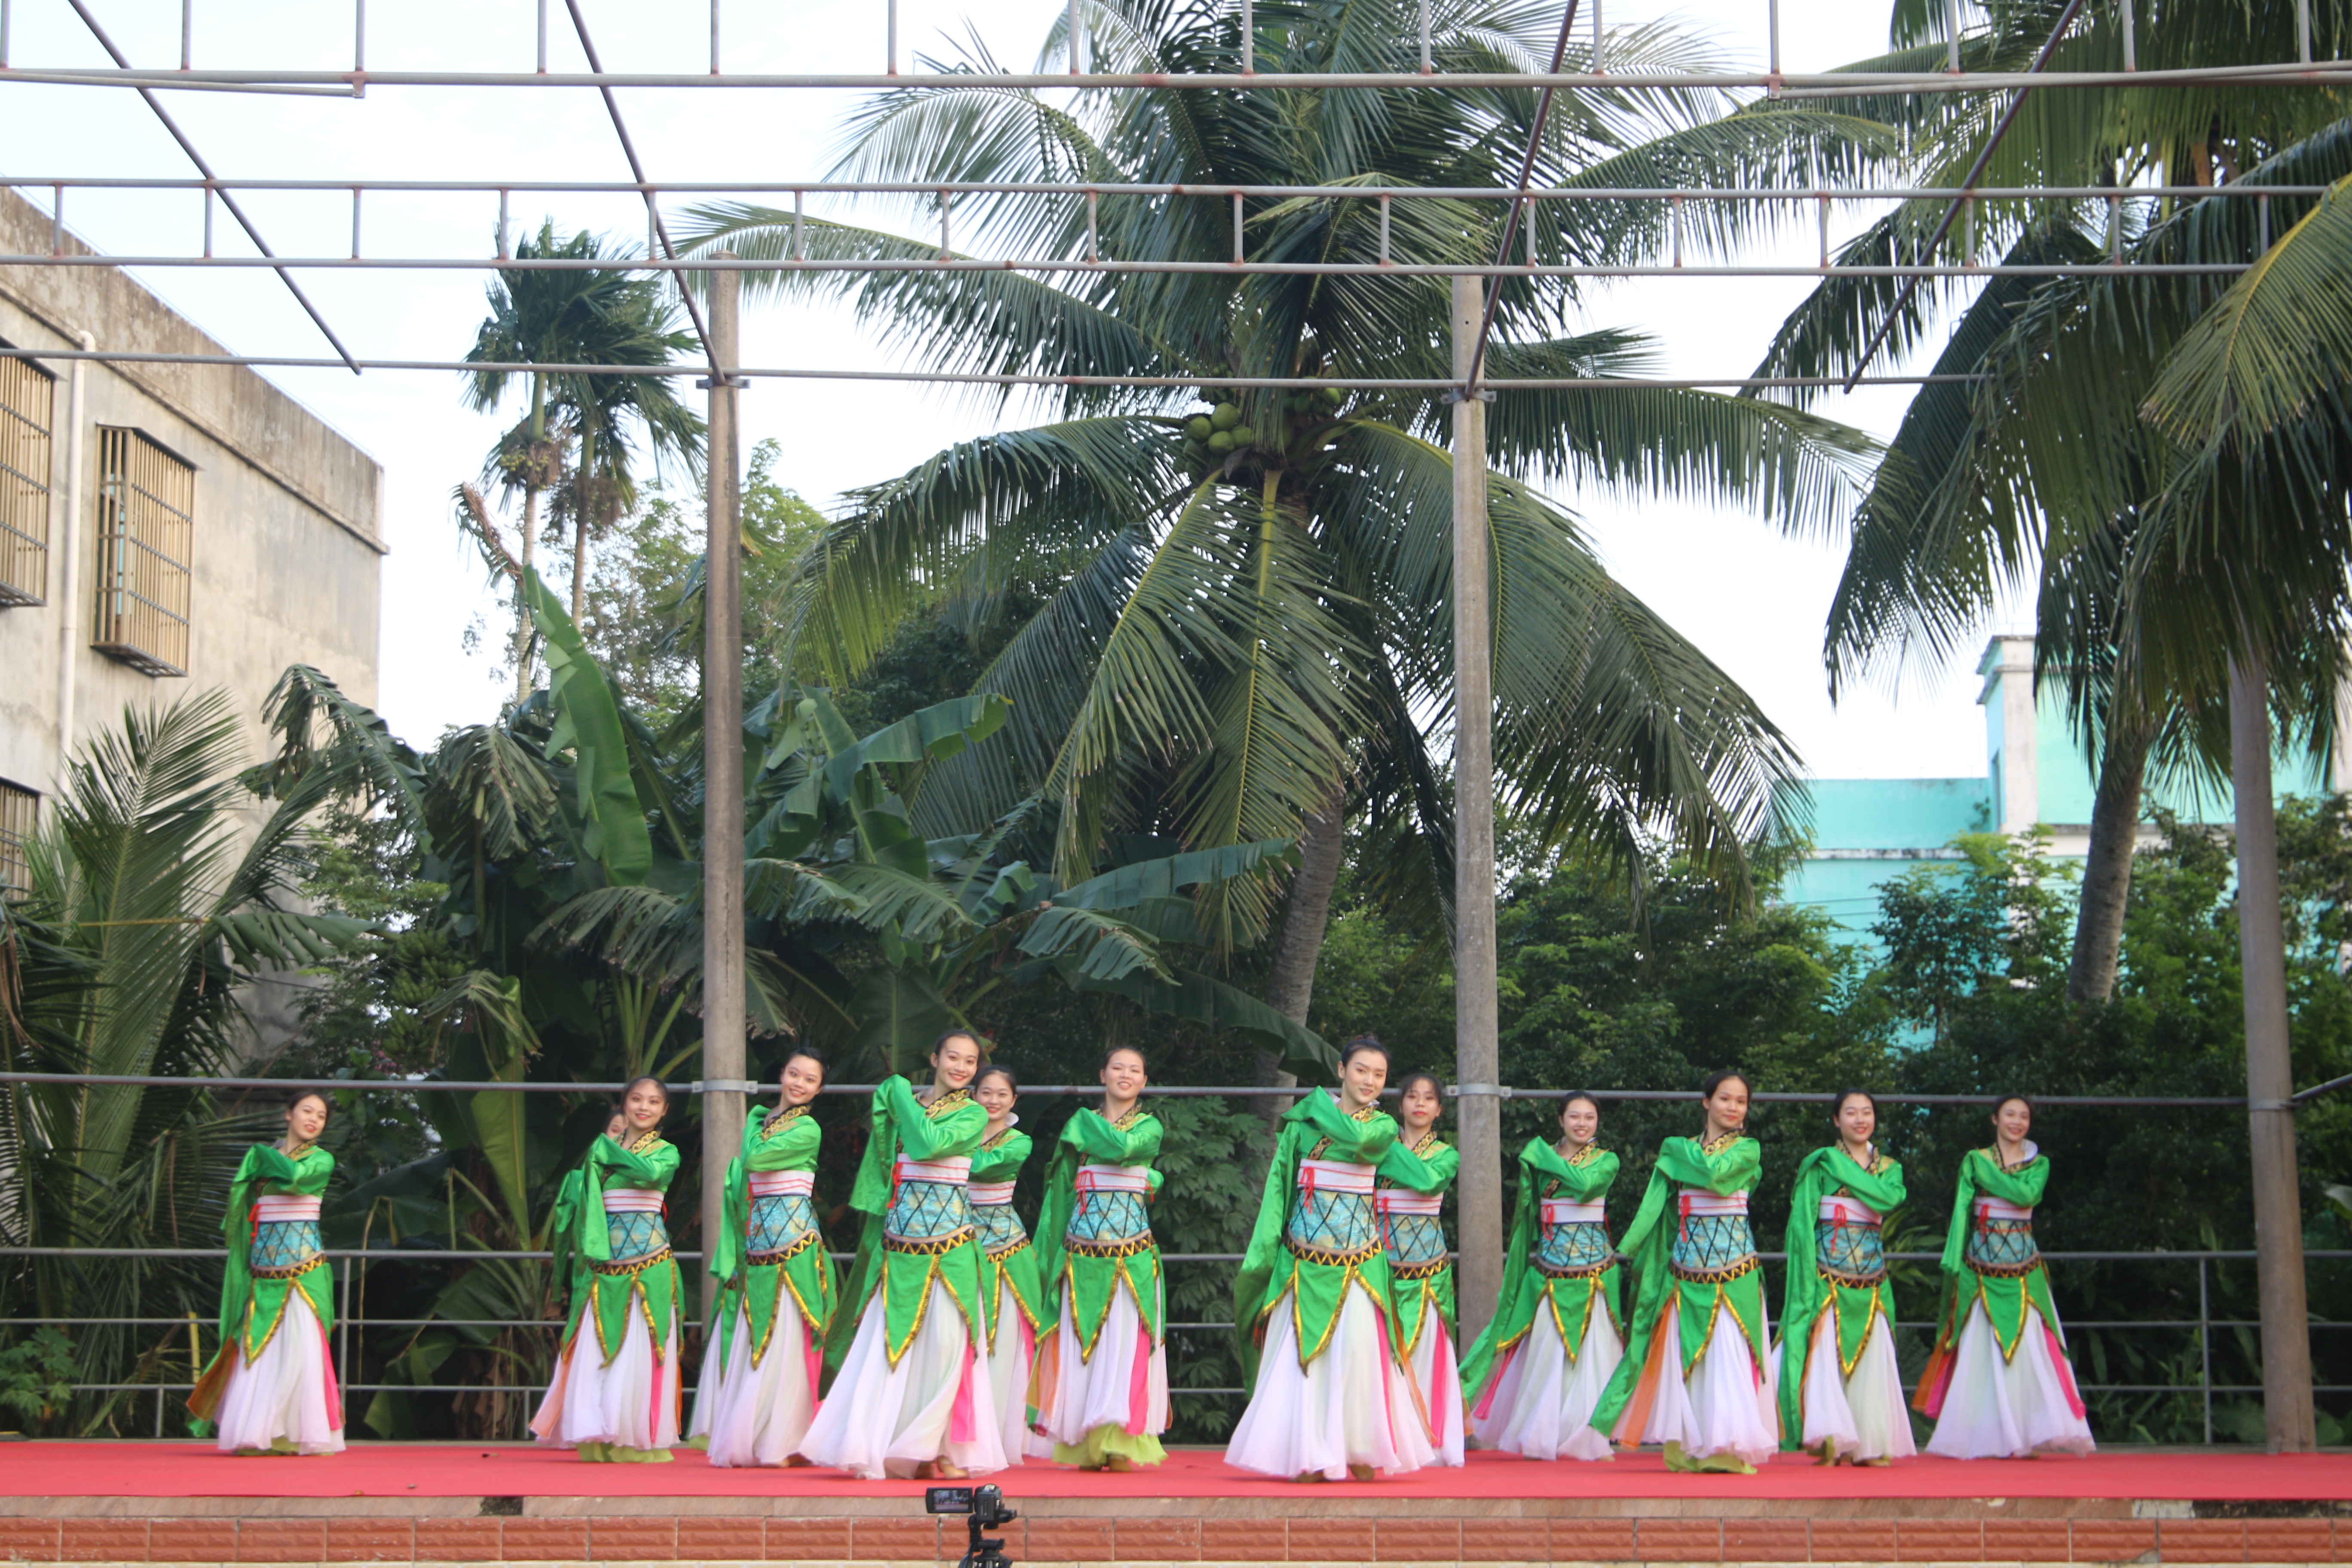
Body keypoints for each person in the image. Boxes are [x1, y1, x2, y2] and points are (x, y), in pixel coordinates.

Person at [1225, 1035, 1433, 1481]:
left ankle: (1358, 1447)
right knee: (1301, 1361)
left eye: (1379, 1075)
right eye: (1361, 1070)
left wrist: (1314, 1103)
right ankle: (1303, 1452)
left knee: (1358, 1359)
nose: (1370, 1081)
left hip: (1360, 1267)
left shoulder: (1379, 1129)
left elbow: (1356, 1136)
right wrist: (1265, 1257)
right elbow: (1278, 1195)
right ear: (1341, 1071)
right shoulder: (1300, 1130)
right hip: (1302, 1264)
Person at [802, 1029, 1004, 1479]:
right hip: (899, 1248)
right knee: (888, 1348)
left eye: (970, 1062)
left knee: (948, 1348)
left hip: (952, 1249)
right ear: (934, 1057)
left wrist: (899, 1096)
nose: (961, 1068)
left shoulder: (971, 1113)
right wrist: (902, 1100)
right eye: (953, 1057)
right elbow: (882, 1163)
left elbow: (927, 1145)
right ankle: (891, 1444)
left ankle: (933, 1447)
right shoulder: (906, 1105)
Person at [1592, 1070, 1777, 1473]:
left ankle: (1728, 1448)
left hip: (1735, 1271)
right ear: (1706, 1102)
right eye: (1725, 1098)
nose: (1733, 1107)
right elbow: (1671, 1191)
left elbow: (1716, 1177)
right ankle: (1686, 1447)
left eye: (1741, 1102)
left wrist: (1679, 1158)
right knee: (1684, 1359)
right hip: (1685, 1271)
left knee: (1727, 1357)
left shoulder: (1748, 1149)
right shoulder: (1679, 1147)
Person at [1915, 1094, 2095, 1459]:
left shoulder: (2034, 1163)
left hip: (2024, 1272)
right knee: (1980, 1354)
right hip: (1979, 1270)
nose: (2017, 1121)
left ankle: (2027, 1434)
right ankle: (1986, 1435)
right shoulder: (1975, 1160)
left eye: (2024, 1116)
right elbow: (1964, 1208)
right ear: (1995, 1119)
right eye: (2010, 1114)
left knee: (2029, 1353)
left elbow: (2030, 1193)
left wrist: (1987, 1177)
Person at [1460, 1091, 1623, 1462]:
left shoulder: (1605, 1161)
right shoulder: (1539, 1160)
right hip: (1549, 1273)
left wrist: (1541, 1154)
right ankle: (1544, 1432)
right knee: (1546, 1358)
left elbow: (1585, 1187)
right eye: (1574, 1117)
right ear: (1561, 1120)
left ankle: (1587, 1435)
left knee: (1591, 1358)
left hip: (1594, 1274)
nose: (1582, 1124)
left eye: (1590, 1118)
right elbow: (1529, 1211)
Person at [695, 1046, 838, 1468]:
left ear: (819, 1090)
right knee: (761, 1343)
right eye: (794, 1074)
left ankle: (789, 1441)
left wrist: (754, 1127)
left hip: (794, 1252)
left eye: (810, 1080)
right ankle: (760, 1438)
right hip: (758, 1252)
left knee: (790, 1346)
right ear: (782, 1074)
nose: (799, 1084)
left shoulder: (806, 1128)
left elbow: (754, 1159)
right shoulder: (762, 1122)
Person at [530, 1076, 684, 1461]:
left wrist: (604, 1151)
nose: (644, 1107)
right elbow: (582, 1209)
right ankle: (596, 1433)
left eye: (653, 1102)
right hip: (603, 1269)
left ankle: (632, 1437)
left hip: (649, 1269)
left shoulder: (666, 1152)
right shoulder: (600, 1155)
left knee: (641, 1352)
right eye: (636, 1099)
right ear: (625, 1103)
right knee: (596, 1351)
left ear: (664, 1111)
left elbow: (650, 1175)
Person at [1032, 1045, 1169, 1470]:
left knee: (1125, 1347)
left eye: (1136, 1070)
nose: (1126, 1075)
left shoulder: (1149, 1127)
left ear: (1145, 1082)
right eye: (1118, 1068)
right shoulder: (1081, 1126)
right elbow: (1062, 1190)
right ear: (1102, 1074)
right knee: (1081, 1349)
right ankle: (1084, 1441)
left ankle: (1121, 1441)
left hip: (1132, 1259)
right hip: (1082, 1257)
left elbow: (1125, 1150)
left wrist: (1084, 1127)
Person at [187, 1090, 344, 1455]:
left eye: (321, 1116)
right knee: (258, 1352)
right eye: (307, 1111)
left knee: (300, 1354)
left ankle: (297, 1433)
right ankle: (259, 1433)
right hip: (262, 1274)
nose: (314, 1120)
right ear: (288, 1114)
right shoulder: (264, 1162)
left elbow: (293, 1178)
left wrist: (259, 1155)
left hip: (303, 1276)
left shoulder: (320, 1160)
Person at [1779, 1090, 1911, 1465]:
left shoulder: (1890, 1167)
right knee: (1824, 1360)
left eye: (1867, 1112)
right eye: (1850, 1113)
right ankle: (1831, 1441)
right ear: (1836, 1120)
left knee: (1872, 1359)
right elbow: (1803, 1224)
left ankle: (1870, 1443)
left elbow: (1889, 1200)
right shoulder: (1821, 1165)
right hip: (1826, 1277)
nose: (1860, 1119)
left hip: (1872, 1279)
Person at [1375, 1071, 1464, 1467]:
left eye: (1429, 1098)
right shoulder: (1375, 1147)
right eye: (1412, 1096)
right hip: (1379, 1268)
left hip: (1427, 1274)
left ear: (1439, 1110)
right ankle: (1388, 1441)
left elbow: (1428, 1183)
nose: (1420, 1104)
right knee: (1381, 1357)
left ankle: (1430, 1443)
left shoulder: (1446, 1154)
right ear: (1401, 1105)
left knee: (1427, 1357)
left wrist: (1382, 1144)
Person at [968, 1064, 1047, 1464]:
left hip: (1005, 1250)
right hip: (957, 1247)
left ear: (1014, 1101)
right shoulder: (957, 1131)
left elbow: (982, 1168)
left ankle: (1000, 1431)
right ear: (973, 1095)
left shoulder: (1018, 1141)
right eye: (986, 1092)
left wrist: (938, 1148)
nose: (994, 1100)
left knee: (1004, 1344)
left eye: (1002, 1094)